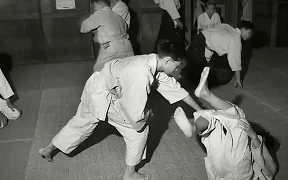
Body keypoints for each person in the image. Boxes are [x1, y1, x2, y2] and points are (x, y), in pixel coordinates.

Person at [38, 40, 202, 180]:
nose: (178, 72)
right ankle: (130, 174)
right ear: (167, 61)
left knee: (80, 123)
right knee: (138, 132)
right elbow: (133, 112)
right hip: (103, 95)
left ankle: (47, 149)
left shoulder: (151, 61)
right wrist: (146, 115)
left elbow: (176, 90)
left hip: (95, 85)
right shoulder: (141, 75)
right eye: (177, 67)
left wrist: (199, 110)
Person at [174, 67, 277, 179]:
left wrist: (253, 136)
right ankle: (194, 127)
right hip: (220, 168)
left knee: (239, 119)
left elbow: (262, 158)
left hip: (240, 173)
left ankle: (206, 95)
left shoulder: (263, 166)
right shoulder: (233, 149)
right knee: (214, 120)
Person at [187, 20, 254, 89]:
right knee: (196, 79)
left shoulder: (226, 26)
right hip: (199, 47)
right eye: (249, 32)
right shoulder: (235, 39)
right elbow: (235, 60)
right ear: (243, 30)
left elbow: (212, 38)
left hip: (198, 40)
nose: (249, 36)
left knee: (196, 71)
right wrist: (238, 79)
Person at [80, 0, 134, 72]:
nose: (95, 11)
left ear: (101, 5)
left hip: (111, 48)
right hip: (128, 47)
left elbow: (83, 28)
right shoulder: (117, 16)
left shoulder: (101, 13)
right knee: (125, 70)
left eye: (95, 9)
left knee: (99, 71)